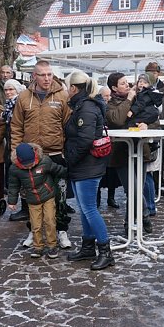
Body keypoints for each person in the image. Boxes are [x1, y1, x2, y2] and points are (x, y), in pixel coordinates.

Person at [10, 60, 72, 248]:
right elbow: (16, 126)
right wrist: (15, 151)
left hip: (55, 153)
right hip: (31, 157)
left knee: (59, 196)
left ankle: (61, 231)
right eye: (42, 75)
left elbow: (68, 126)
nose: (46, 78)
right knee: (32, 195)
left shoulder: (62, 95)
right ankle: (33, 230)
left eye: (49, 74)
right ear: (34, 76)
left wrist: (66, 152)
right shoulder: (23, 97)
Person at [64, 71, 113, 269]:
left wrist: (71, 158)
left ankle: (105, 251)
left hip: (87, 165)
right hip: (82, 165)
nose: (67, 91)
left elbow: (85, 140)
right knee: (84, 209)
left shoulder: (86, 108)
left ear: (74, 88)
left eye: (68, 88)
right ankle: (87, 247)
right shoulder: (81, 105)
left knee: (90, 209)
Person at [105, 72, 156, 233]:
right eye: (122, 83)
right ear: (114, 87)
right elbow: (118, 120)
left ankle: (131, 222)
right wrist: (128, 100)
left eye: (127, 82)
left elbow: (155, 119)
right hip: (122, 152)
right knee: (131, 189)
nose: (127, 85)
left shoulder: (140, 99)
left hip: (141, 149)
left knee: (137, 189)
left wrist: (147, 125)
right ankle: (144, 215)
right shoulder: (110, 104)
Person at [7, 143, 66, 258]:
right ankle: (38, 247)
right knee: (36, 224)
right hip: (32, 198)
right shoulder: (14, 169)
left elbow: (57, 169)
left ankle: (52, 246)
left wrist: (69, 173)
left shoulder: (44, 161)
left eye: (31, 163)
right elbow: (13, 185)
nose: (29, 166)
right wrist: (12, 201)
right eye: (26, 165)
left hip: (48, 195)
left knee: (50, 220)